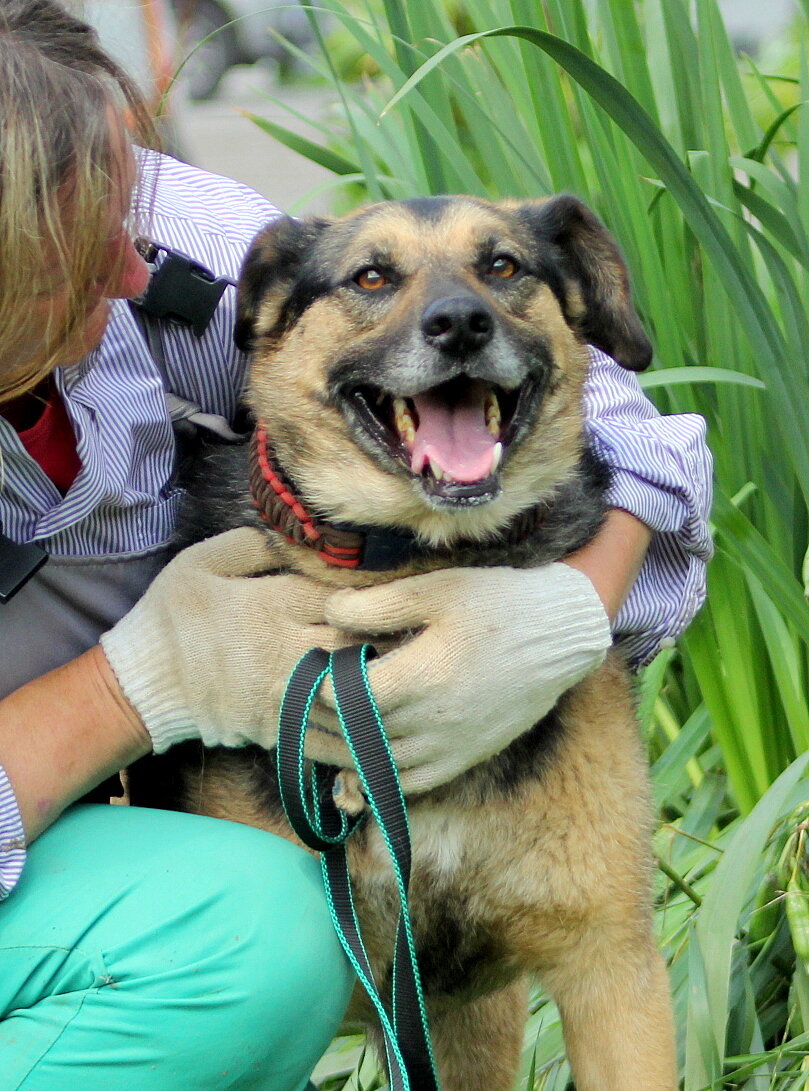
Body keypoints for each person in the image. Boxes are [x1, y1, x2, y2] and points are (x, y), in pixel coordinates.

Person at [0, 2, 713, 1088]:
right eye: (70, 234)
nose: (134, 264)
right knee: (252, 942)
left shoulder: (152, 238)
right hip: (60, 829)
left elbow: (608, 400)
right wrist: (143, 683)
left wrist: (576, 596)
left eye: (123, 192)